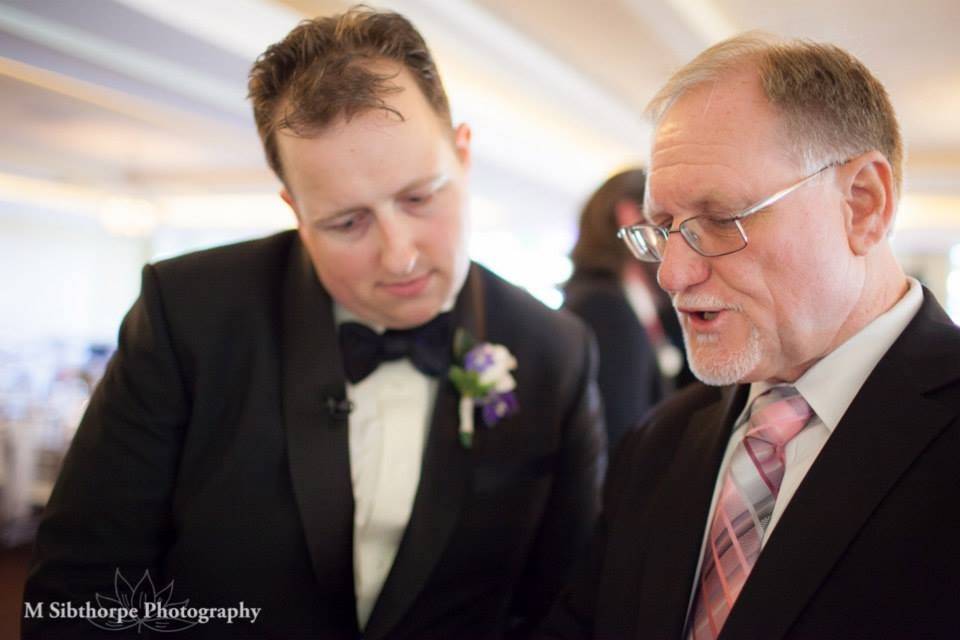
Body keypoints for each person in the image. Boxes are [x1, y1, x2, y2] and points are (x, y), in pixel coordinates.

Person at [23, 8, 605, 639]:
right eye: (347, 222)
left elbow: (563, 605)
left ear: (463, 155)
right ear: (294, 208)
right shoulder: (190, 314)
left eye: (420, 197)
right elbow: (78, 592)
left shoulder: (556, 351)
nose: (400, 254)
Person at [539, 33, 960, 640]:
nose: (674, 275)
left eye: (721, 220)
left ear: (863, 204)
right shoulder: (659, 443)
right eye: (664, 227)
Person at [563, 169, 691, 453]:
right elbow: (619, 432)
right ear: (629, 217)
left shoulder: (629, 301)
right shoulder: (603, 309)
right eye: (666, 223)